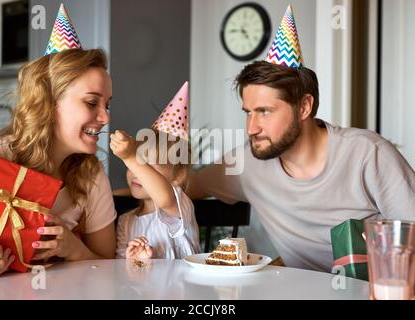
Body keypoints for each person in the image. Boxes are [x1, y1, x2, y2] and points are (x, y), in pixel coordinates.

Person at [187, 6, 415, 272]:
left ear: (304, 107)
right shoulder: (246, 164)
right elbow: (186, 184)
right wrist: (135, 168)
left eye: (264, 112)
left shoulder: (368, 154)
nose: (251, 128)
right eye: (248, 113)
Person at [0, 5, 116, 280]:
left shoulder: (91, 176)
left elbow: (111, 268)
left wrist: (76, 249)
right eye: (92, 102)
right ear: (48, 103)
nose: (105, 116)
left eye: (107, 104)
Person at [111, 82, 201, 259]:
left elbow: (164, 199)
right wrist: (134, 258)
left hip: (185, 287)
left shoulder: (179, 207)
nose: (137, 171)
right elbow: (121, 266)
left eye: (148, 165)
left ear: (178, 175)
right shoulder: (125, 221)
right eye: (137, 161)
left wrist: (131, 158)